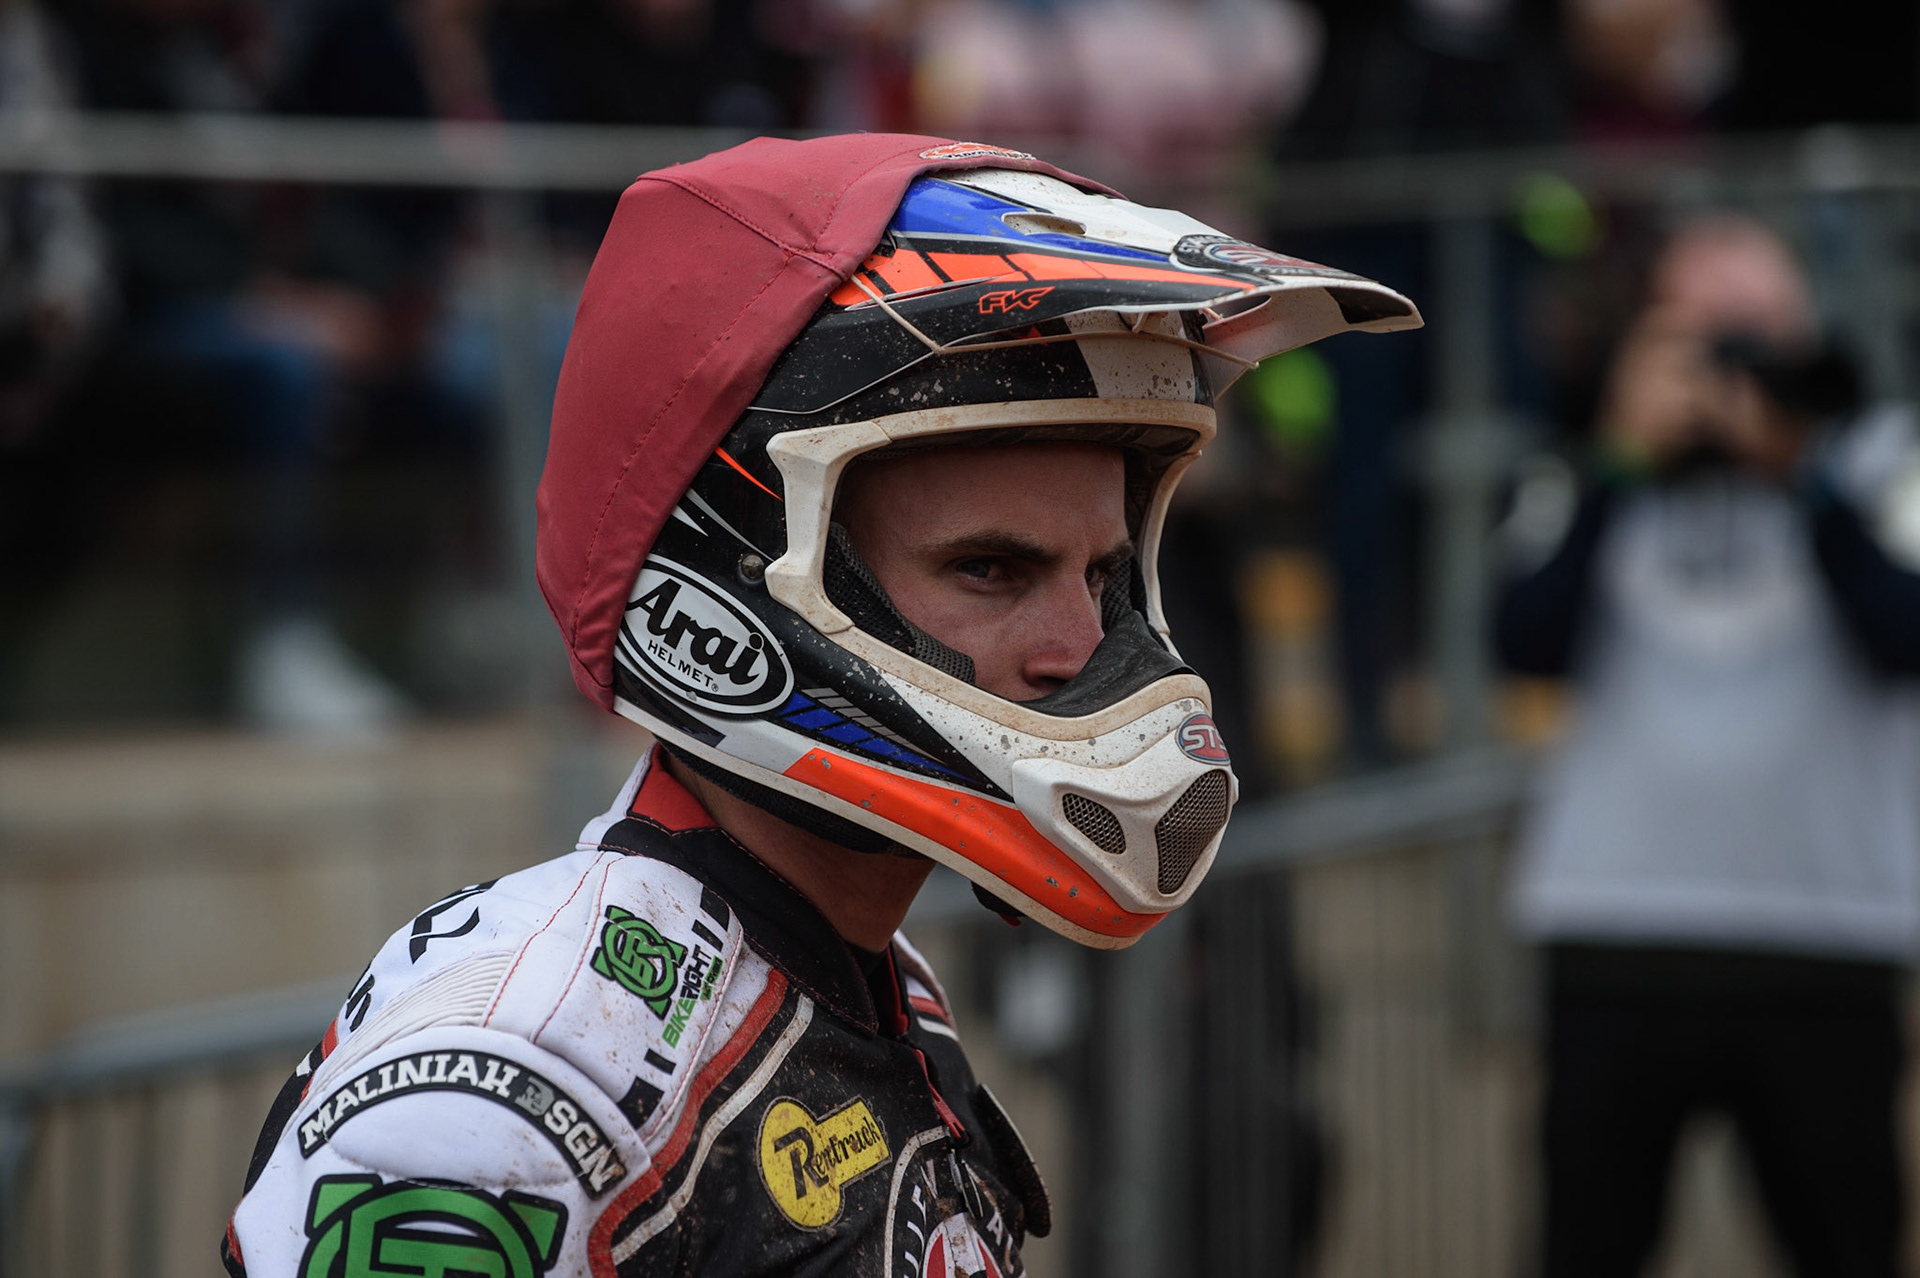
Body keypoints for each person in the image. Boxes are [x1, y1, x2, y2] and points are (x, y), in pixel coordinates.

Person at [220, 133, 1418, 1276]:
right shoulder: (520, 1076)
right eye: (991, 570)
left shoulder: (866, 976)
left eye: (1102, 576)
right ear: (743, 584)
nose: (1078, 648)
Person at [1497, 216, 1920, 1278]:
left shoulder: (1883, 460)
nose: (1732, 370)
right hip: (1614, 924)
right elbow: (1522, 640)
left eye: (1755, 337)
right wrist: (1619, 464)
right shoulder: (1588, 467)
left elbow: (1901, 634)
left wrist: (1804, 475)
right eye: (1701, 340)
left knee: (1847, 1242)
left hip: (1828, 929)